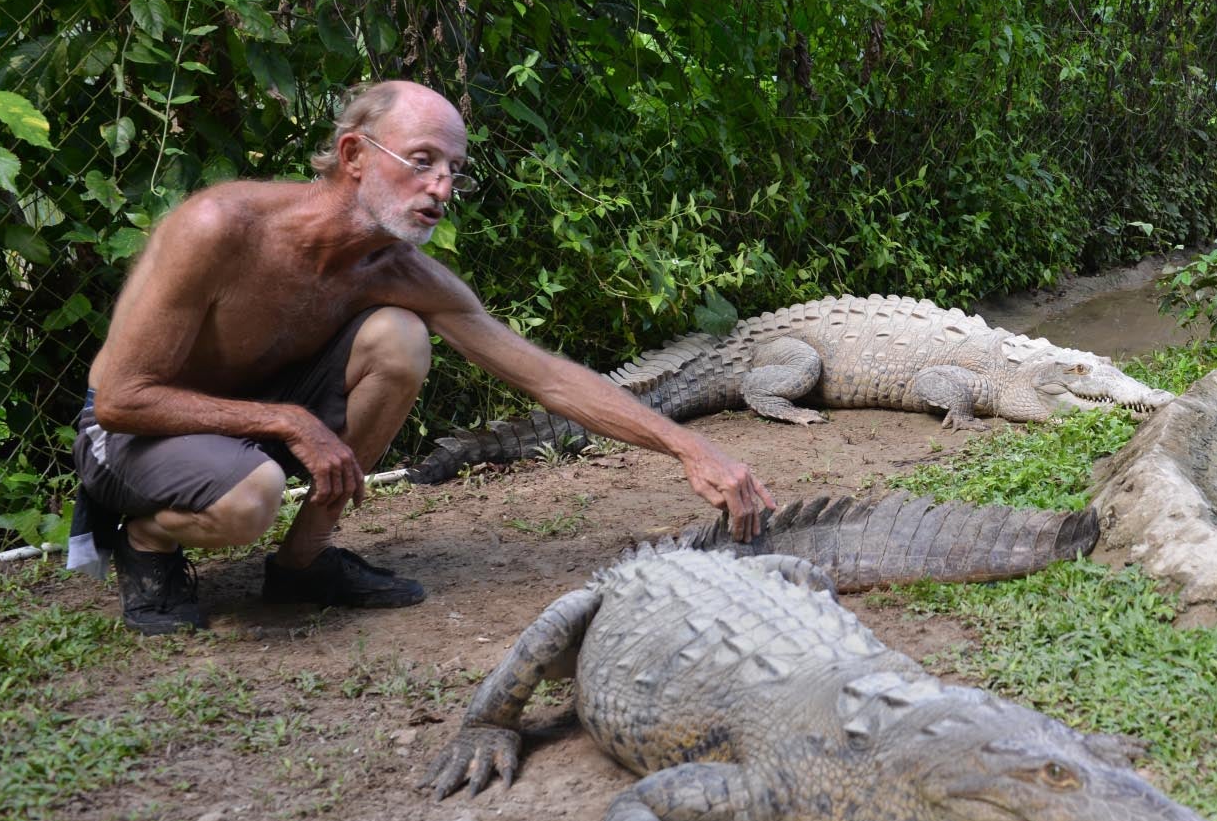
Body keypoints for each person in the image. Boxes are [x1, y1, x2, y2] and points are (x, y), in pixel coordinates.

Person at [70, 80, 774, 634]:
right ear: (353, 156)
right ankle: (149, 543)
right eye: (422, 162)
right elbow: (122, 398)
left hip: (249, 427)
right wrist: (291, 422)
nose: (441, 189)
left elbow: (546, 376)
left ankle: (303, 564)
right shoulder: (220, 227)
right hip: (133, 434)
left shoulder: (394, 271)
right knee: (250, 498)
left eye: (455, 172)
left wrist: (688, 448)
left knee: (399, 338)